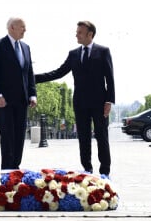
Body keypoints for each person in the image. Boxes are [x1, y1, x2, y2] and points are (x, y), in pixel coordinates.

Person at [35, 21, 115, 176]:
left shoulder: (103, 51)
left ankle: (105, 172)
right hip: (80, 103)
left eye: (79, 32)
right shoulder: (73, 54)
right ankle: (87, 171)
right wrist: (33, 78)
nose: (76, 34)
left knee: (102, 137)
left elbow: (110, 78)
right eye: (77, 31)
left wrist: (109, 101)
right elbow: (58, 72)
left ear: (90, 34)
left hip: (100, 103)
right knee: (83, 138)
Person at [0, 17, 37, 170]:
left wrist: (32, 94)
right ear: (12, 27)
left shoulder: (26, 47)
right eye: (22, 27)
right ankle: (7, 172)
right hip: (5, 101)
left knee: (19, 138)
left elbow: (29, 73)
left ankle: (16, 168)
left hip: (22, 101)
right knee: (8, 138)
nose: (25, 30)